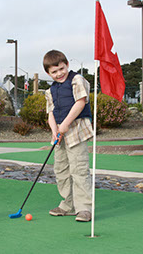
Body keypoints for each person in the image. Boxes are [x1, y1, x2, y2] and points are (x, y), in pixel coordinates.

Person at [43, 49, 93, 222]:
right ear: (48, 73)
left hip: (76, 131)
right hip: (60, 134)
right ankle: (68, 204)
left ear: (67, 65)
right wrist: (54, 130)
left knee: (78, 169)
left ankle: (84, 207)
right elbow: (51, 112)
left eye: (61, 69)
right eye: (54, 72)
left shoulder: (77, 80)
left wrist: (64, 125)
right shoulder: (50, 90)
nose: (59, 74)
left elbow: (80, 103)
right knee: (61, 170)